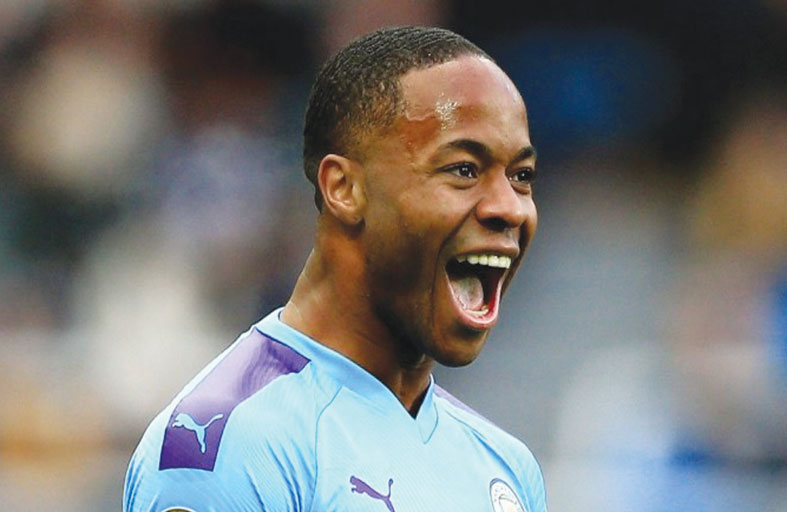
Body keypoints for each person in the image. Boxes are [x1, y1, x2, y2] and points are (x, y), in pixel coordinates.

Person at [123, 26, 546, 512]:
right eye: (464, 170)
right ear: (344, 188)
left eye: (521, 176)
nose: (509, 208)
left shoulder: (506, 468)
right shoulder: (227, 448)